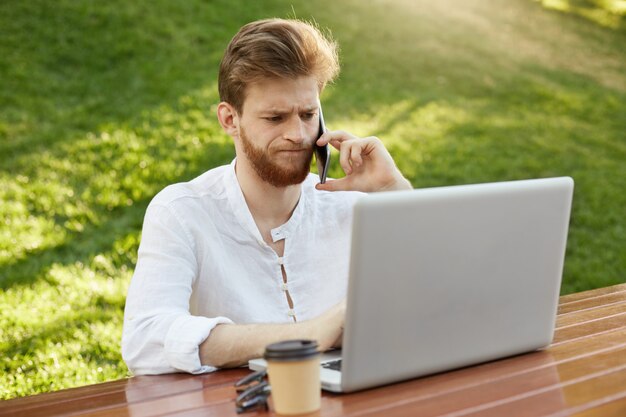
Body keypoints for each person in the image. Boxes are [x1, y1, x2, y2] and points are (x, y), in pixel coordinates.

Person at [122, 18, 411, 375]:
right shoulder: (182, 212)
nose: (298, 134)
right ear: (230, 119)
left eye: (308, 114)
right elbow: (145, 338)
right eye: (275, 118)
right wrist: (306, 335)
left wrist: (395, 194)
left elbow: (444, 304)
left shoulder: (353, 206)